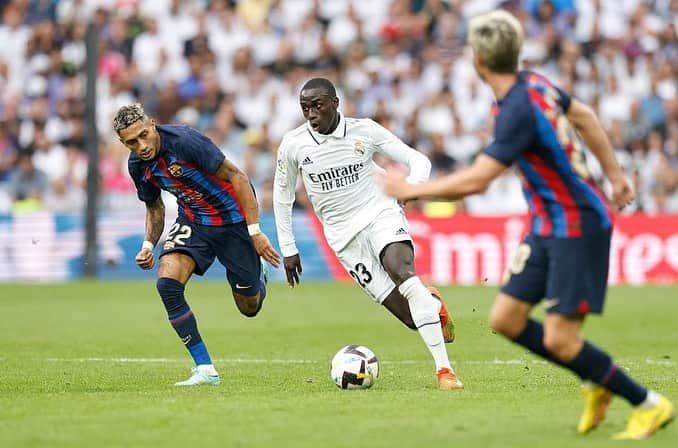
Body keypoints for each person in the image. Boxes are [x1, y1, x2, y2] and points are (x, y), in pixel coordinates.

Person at [379, 10, 673, 439]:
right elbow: (586, 116)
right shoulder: (533, 83)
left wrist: (410, 191)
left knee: (560, 340)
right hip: (549, 225)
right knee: (506, 318)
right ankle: (595, 378)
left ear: (478, 61)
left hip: (577, 224)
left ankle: (648, 403)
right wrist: (614, 175)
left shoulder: (516, 109)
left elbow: (478, 181)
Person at [273, 78, 462, 391]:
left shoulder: (365, 130)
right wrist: (288, 248)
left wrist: (411, 188)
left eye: (317, 106)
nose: (311, 114)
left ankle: (445, 372)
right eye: (305, 108)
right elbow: (282, 197)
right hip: (344, 239)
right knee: (412, 317)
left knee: (403, 273)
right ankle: (433, 304)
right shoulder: (293, 145)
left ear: (335, 102)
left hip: (379, 212)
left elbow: (418, 159)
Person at [114, 104, 280, 386]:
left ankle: (257, 272)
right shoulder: (137, 165)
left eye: (144, 135)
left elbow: (238, 177)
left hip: (233, 222)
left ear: (152, 124)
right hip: (193, 220)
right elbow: (154, 208)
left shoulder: (186, 141)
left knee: (249, 307)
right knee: (167, 283)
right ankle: (205, 369)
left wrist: (255, 231)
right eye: (131, 142)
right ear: (122, 143)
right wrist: (147, 244)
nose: (141, 146)